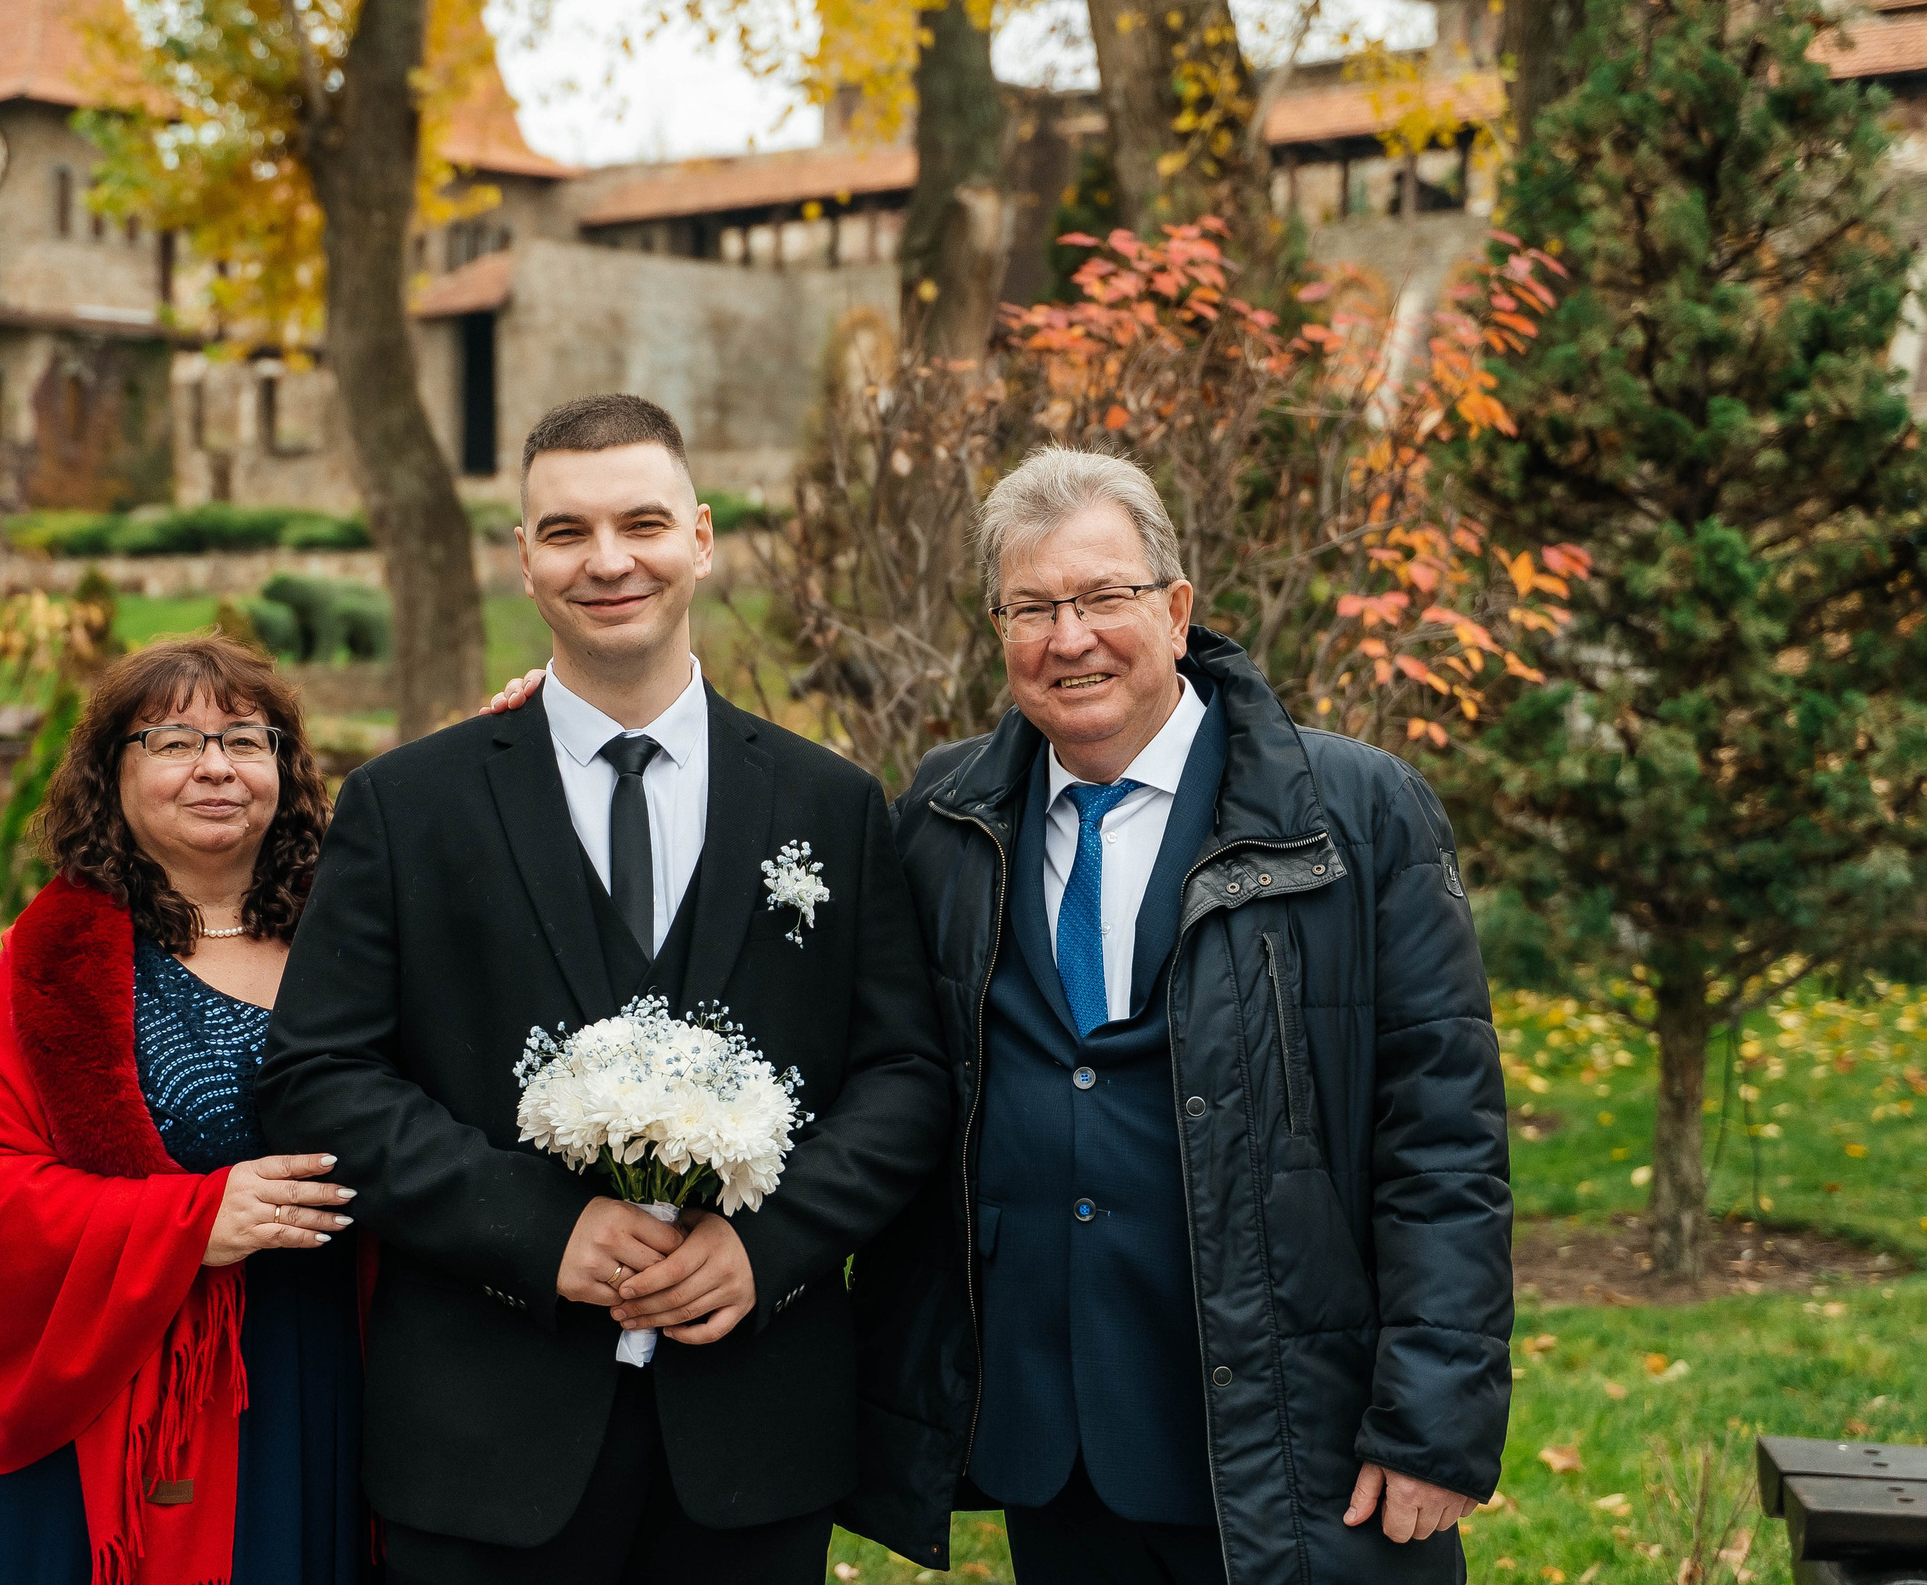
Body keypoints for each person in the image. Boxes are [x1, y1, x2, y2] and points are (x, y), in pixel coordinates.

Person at [256, 393, 948, 1585]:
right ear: (522, 557)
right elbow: (318, 1079)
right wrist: (541, 1227)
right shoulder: (406, 808)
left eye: (641, 522)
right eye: (566, 531)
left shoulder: (830, 804)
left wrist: (767, 1242)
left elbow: (903, 1076)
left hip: (749, 1434)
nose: (609, 560)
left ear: (702, 536)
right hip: (481, 1435)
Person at [839, 447, 1512, 1584]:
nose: (1070, 636)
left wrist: (1432, 1419)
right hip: (1055, 1449)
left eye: (1104, 596)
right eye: (1032, 606)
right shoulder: (944, 822)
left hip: (1304, 1440)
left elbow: (1443, 1136)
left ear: (1177, 607)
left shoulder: (1354, 814)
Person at [0, 635, 373, 1585]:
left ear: (283, 771)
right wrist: (190, 1223)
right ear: (109, 774)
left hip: (341, 1370)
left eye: (246, 740)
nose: (215, 766)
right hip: (149, 1400)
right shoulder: (58, 965)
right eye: (171, 742)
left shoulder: (359, 932)